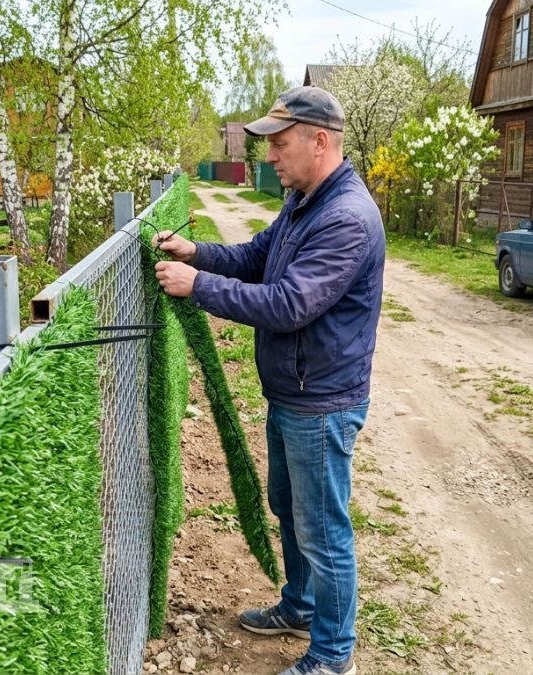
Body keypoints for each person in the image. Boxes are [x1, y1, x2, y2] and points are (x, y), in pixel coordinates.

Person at [153, 86, 385, 675]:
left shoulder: (346, 218)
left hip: (322, 401)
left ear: (320, 142)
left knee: (323, 529)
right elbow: (259, 257)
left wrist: (196, 286)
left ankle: (333, 657)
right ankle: (300, 607)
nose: (270, 158)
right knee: (289, 508)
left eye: (280, 145)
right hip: (294, 392)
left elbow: (287, 304)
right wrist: (197, 252)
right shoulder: (305, 199)